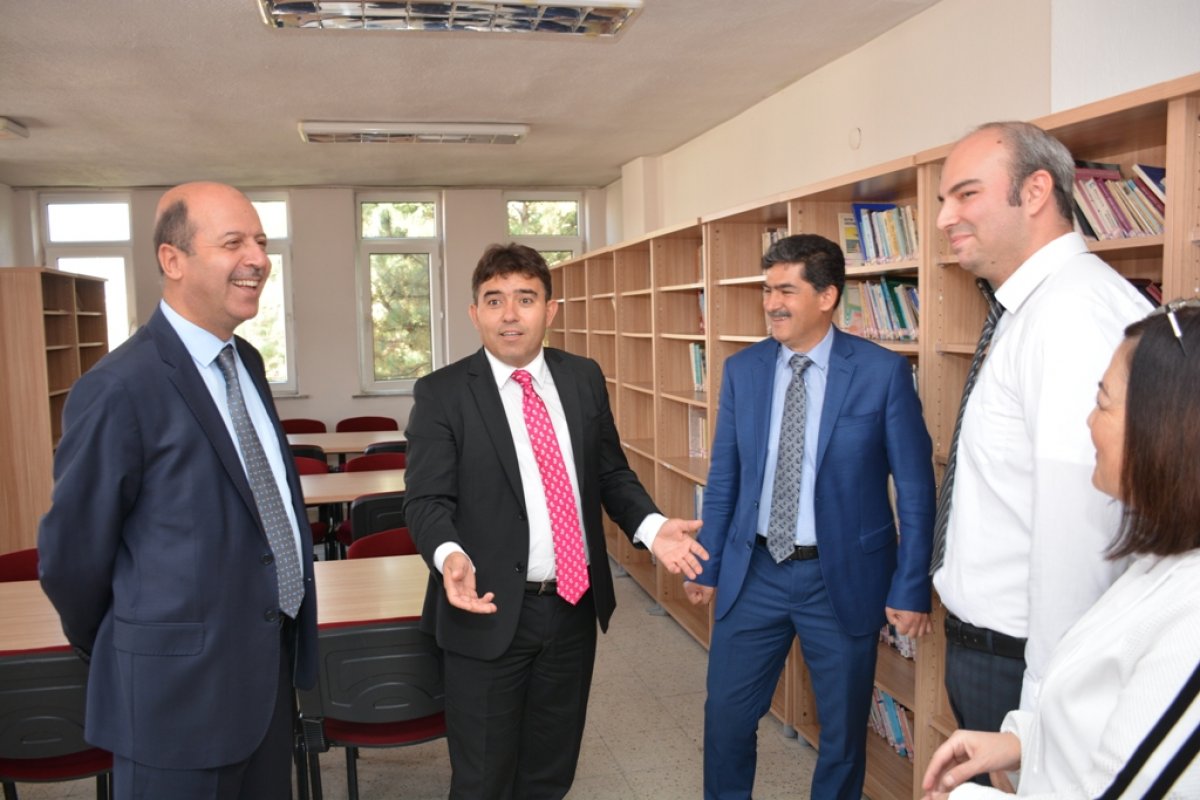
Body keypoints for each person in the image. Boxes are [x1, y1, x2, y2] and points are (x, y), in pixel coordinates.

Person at [38, 182, 317, 799]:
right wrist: (137, 649)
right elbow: (70, 560)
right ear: (173, 259)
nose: (258, 259)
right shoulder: (119, 387)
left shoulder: (247, 363)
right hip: (174, 704)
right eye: (233, 242)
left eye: (261, 242)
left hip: (265, 680)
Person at [403, 243, 709, 800]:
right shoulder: (442, 393)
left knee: (550, 772)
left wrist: (651, 526)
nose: (510, 314)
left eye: (525, 298)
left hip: (571, 608)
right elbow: (426, 500)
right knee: (482, 780)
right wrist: (449, 555)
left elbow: (610, 473)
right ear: (474, 313)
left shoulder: (582, 377)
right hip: (487, 609)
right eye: (494, 300)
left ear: (551, 310)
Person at [684, 233, 936, 800]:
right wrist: (708, 563)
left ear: (827, 297)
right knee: (726, 717)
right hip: (755, 573)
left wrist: (912, 584)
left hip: (841, 577)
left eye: (786, 291)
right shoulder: (744, 370)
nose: (771, 303)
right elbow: (725, 479)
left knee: (842, 734)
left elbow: (917, 488)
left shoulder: (881, 373)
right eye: (767, 290)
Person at [922, 302, 1200, 799]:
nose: (1088, 421)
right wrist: (1023, 743)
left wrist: (966, 797)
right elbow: (1108, 717)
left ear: (1165, 427)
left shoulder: (1191, 620)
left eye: (1103, 402)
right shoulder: (1159, 561)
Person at [931, 122, 1153, 742]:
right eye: (944, 200)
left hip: (1025, 665)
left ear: (1034, 192)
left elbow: (1081, 533)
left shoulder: (1072, 315)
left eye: (966, 194)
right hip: (998, 651)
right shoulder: (1030, 306)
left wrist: (1035, 725)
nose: (944, 218)